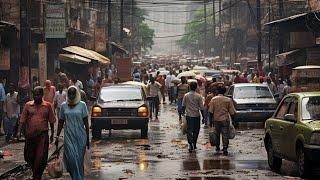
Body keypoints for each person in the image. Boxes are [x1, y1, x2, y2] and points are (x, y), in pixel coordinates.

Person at [17, 86, 56, 180]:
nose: (36, 97)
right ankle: (36, 173)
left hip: (42, 136)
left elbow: (51, 121)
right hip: (30, 136)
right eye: (34, 95)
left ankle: (36, 176)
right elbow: (22, 120)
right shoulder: (28, 105)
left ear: (42, 95)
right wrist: (19, 132)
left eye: (38, 95)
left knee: (40, 156)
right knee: (29, 156)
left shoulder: (47, 106)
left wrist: (52, 134)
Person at [55, 86, 90, 180]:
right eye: (69, 93)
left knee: (78, 161)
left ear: (76, 94)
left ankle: (78, 178)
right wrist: (57, 136)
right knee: (71, 160)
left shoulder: (82, 105)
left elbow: (86, 123)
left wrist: (88, 139)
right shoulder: (63, 106)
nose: (71, 95)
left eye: (73, 93)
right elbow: (61, 122)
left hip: (80, 136)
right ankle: (76, 177)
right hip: (68, 137)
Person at [209, 86, 236, 156]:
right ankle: (225, 148)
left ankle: (217, 147)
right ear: (224, 92)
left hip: (216, 119)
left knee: (217, 133)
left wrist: (210, 121)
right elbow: (232, 112)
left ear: (218, 91)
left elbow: (211, 111)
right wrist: (233, 120)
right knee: (225, 134)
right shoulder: (228, 100)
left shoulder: (213, 99)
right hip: (225, 119)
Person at [182, 82, 204, 153]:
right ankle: (194, 143)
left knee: (189, 130)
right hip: (196, 115)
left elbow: (183, 105)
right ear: (196, 87)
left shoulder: (186, 95)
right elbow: (201, 108)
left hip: (189, 115)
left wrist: (183, 113)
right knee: (196, 130)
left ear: (190, 87)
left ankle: (190, 143)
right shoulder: (199, 96)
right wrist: (203, 117)